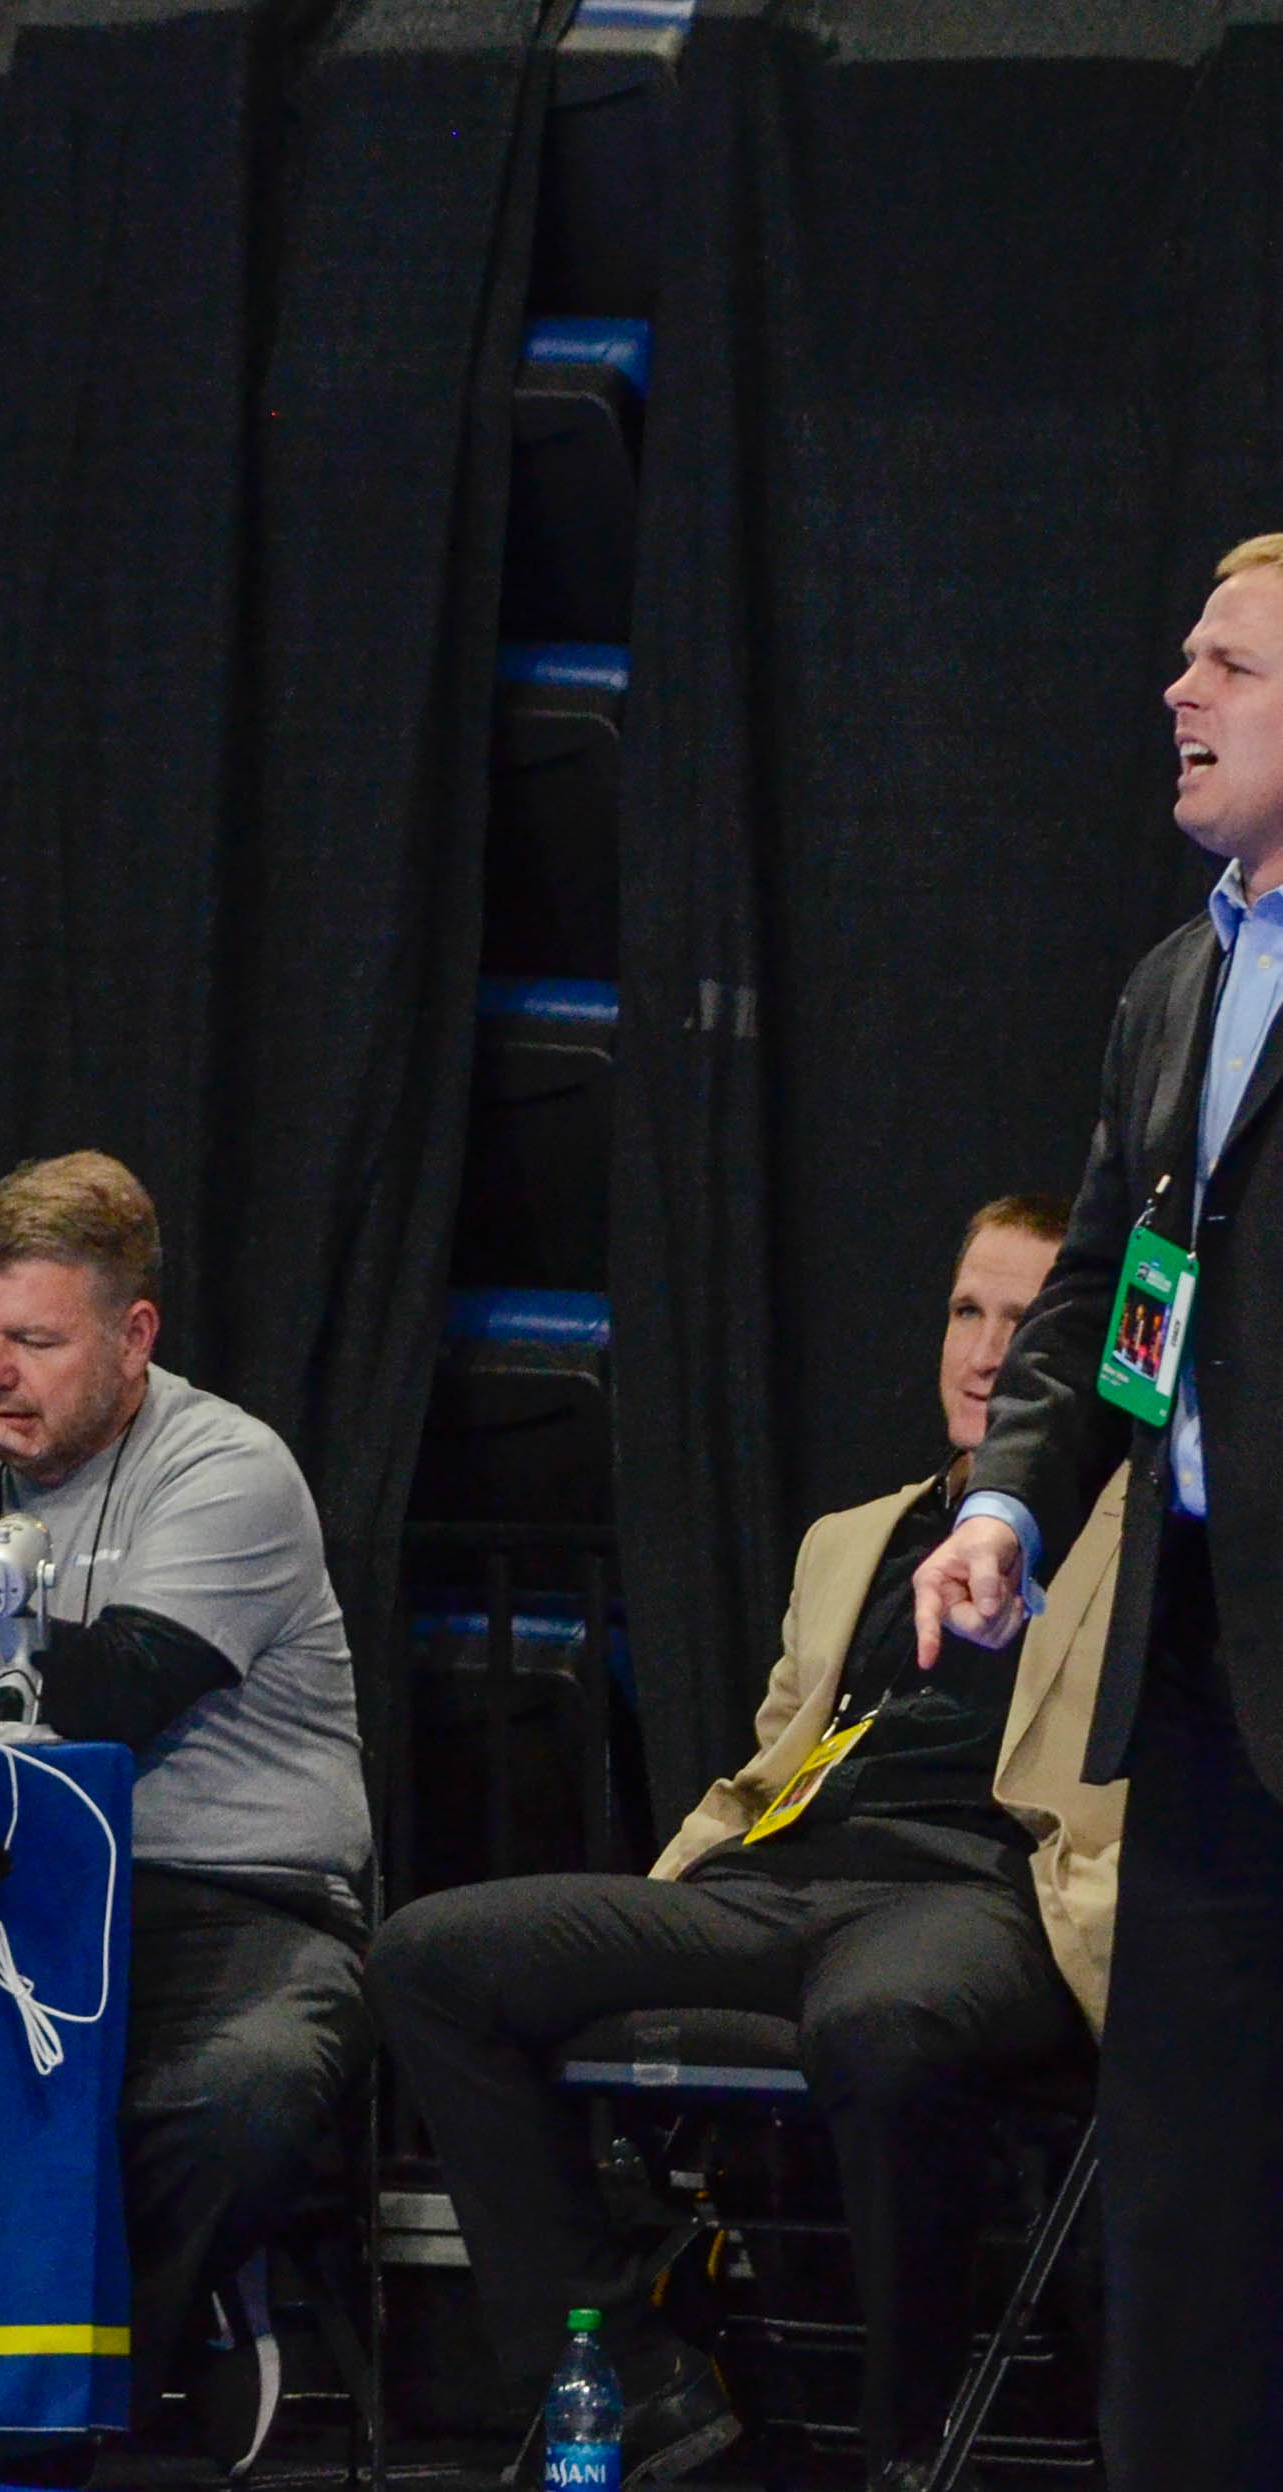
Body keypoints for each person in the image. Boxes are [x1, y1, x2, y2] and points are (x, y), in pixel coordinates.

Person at [373, 1197, 1119, 2487]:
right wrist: (680, 1890)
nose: (988, 1351)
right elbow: (769, 1761)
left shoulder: (1139, 1537)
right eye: (967, 1311)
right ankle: (634, 2372)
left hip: (982, 1889)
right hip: (778, 1879)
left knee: (878, 2021)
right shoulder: (850, 1540)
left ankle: (908, 2449)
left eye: (1027, 1320)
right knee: (430, 1955)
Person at [912, 533, 1283, 2491]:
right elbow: (1108, 1315)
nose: (1176, 690)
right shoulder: (1173, 984)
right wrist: (1008, 1512)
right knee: (1191, 2242)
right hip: (1206, 1685)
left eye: (1228, 663)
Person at [0, 1150, 371, 2461]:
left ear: (133, 1337)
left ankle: (105, 2402)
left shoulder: (227, 1468)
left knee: (232, 2098)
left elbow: (105, 1693)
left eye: (33, 1341)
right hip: (0, 1889)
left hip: (225, 1894)